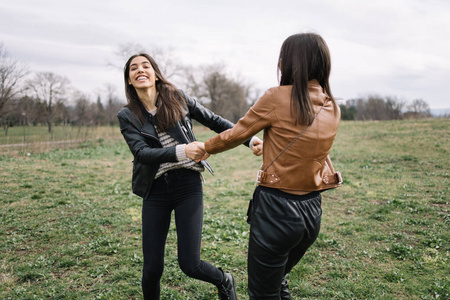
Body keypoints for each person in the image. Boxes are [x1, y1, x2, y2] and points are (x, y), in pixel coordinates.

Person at [201, 33, 342, 299]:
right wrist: (267, 146)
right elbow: (306, 147)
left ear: (290, 63)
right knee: (277, 283)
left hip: (277, 211)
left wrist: (205, 148)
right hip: (311, 213)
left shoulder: (276, 97)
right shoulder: (331, 105)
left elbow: (236, 134)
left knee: (262, 293)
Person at [117, 53, 261, 300]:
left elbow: (215, 121)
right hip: (155, 190)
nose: (140, 70)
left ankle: (224, 280)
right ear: (129, 80)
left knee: (190, 264)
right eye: (133, 68)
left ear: (155, 73)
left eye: (145, 65)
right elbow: (141, 153)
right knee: (152, 268)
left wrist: (249, 139)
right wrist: (183, 150)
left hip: (187, 185)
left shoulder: (178, 98)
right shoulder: (127, 115)